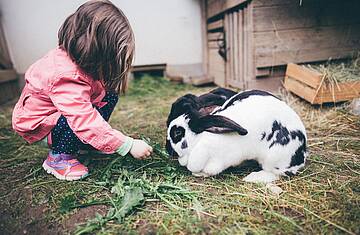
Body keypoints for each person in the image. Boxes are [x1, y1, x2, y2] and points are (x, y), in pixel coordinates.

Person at [12, 0, 153, 181]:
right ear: (98, 49)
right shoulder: (65, 75)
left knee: (109, 94)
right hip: (40, 126)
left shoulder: (81, 63)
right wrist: (126, 144)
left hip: (60, 116)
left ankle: (85, 142)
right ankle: (58, 158)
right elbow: (83, 119)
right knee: (77, 120)